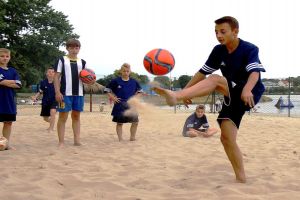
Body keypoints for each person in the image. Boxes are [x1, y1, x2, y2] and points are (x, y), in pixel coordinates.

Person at [152, 16, 266, 183]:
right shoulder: (218, 50)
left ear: (235, 32)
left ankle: (175, 96)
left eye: (223, 31)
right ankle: (241, 179)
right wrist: (186, 91)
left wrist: (248, 89)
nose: (218, 35)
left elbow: (254, 73)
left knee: (215, 79)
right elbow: (201, 72)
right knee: (226, 139)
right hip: (230, 95)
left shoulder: (249, 48)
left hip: (249, 92)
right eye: (216, 32)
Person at [53, 38, 94, 148]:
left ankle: (77, 140)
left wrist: (91, 81)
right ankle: (61, 142)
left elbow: (86, 77)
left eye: (76, 47)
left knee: (76, 116)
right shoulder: (61, 60)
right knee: (63, 116)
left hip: (79, 94)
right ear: (67, 48)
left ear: (79, 49)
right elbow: (56, 76)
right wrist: (57, 92)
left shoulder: (82, 62)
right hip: (64, 94)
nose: (74, 50)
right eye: (71, 47)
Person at [104, 63, 142, 142]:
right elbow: (106, 90)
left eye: (127, 71)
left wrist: (135, 98)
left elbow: (140, 91)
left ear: (130, 71)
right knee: (120, 123)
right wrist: (113, 97)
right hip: (119, 105)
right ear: (121, 71)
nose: (126, 73)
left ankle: (132, 137)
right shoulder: (116, 81)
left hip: (131, 106)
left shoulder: (134, 82)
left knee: (135, 122)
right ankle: (120, 139)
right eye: (124, 71)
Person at [0, 48, 22, 150]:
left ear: (10, 57)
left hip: (9, 100)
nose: (5, 58)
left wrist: (6, 81)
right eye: (2, 56)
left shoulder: (13, 70)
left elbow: (18, 85)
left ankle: (6, 144)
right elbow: (2, 82)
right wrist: (12, 82)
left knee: (8, 122)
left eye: (7, 56)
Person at [32, 67, 57, 132]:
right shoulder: (43, 82)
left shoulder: (57, 82)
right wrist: (35, 97)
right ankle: (52, 122)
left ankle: (51, 128)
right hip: (45, 101)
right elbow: (40, 91)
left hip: (54, 101)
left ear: (54, 73)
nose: (51, 73)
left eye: (52, 72)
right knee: (45, 118)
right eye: (49, 72)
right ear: (46, 73)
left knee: (53, 112)